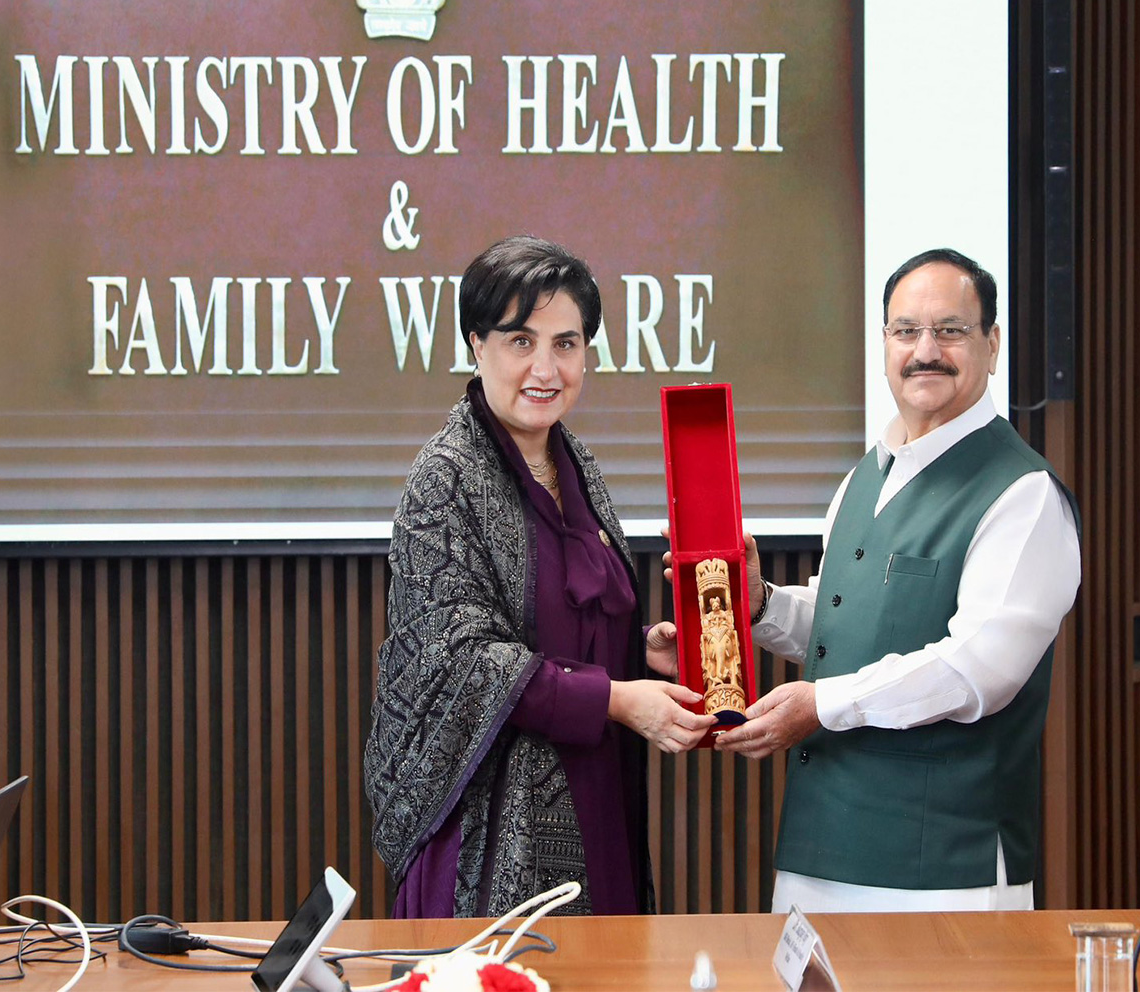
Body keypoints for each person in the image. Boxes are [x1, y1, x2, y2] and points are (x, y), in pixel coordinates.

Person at [693, 248, 1081, 913]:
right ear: (883, 345)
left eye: (950, 331)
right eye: (906, 331)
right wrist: (758, 605)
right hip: (817, 848)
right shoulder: (861, 479)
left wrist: (821, 705)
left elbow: (976, 670)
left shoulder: (1024, 494)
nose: (925, 351)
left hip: (943, 869)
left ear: (992, 344)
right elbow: (853, 624)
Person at [365, 236, 715, 918]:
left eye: (567, 343)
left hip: (596, 791)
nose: (546, 368)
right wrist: (617, 700)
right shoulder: (444, 478)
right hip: (492, 821)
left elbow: (557, 617)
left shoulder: (574, 462)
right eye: (521, 341)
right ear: (477, 345)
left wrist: (637, 648)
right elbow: (465, 660)